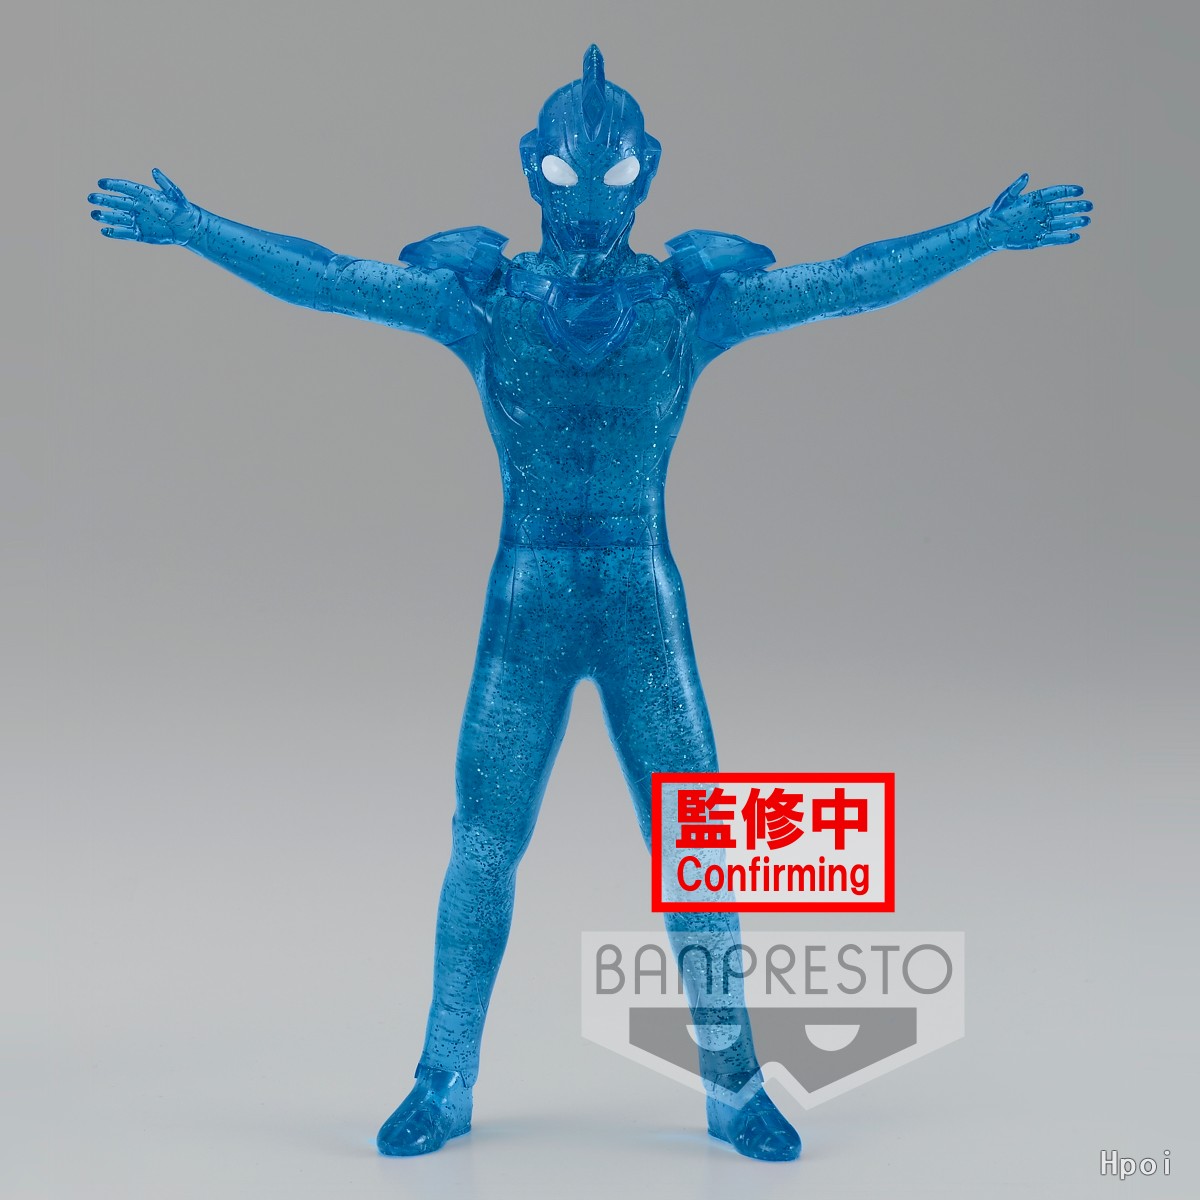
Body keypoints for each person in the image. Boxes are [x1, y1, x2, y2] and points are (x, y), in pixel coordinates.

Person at [88, 45, 1091, 1162]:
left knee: (697, 840)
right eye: (567, 180)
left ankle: (734, 1084)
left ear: (646, 172)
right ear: (531, 167)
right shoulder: (488, 302)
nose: (587, 207)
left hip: (633, 593)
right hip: (532, 594)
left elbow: (849, 280)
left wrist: (982, 233)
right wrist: (196, 228)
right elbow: (329, 278)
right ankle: (444, 1077)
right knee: (485, 840)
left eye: (609, 181)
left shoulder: (683, 303)